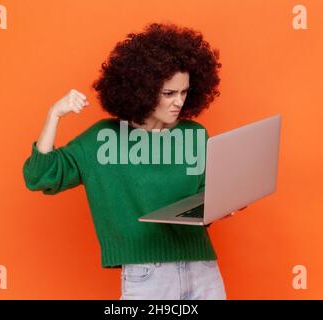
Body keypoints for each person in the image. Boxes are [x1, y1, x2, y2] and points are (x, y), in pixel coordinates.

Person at [22, 22, 246, 300]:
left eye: (184, 92)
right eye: (169, 93)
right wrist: (54, 114)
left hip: (203, 269)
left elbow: (202, 198)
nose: (179, 102)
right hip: (148, 275)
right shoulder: (102, 139)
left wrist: (220, 205)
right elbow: (40, 176)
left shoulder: (195, 135)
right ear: (143, 89)